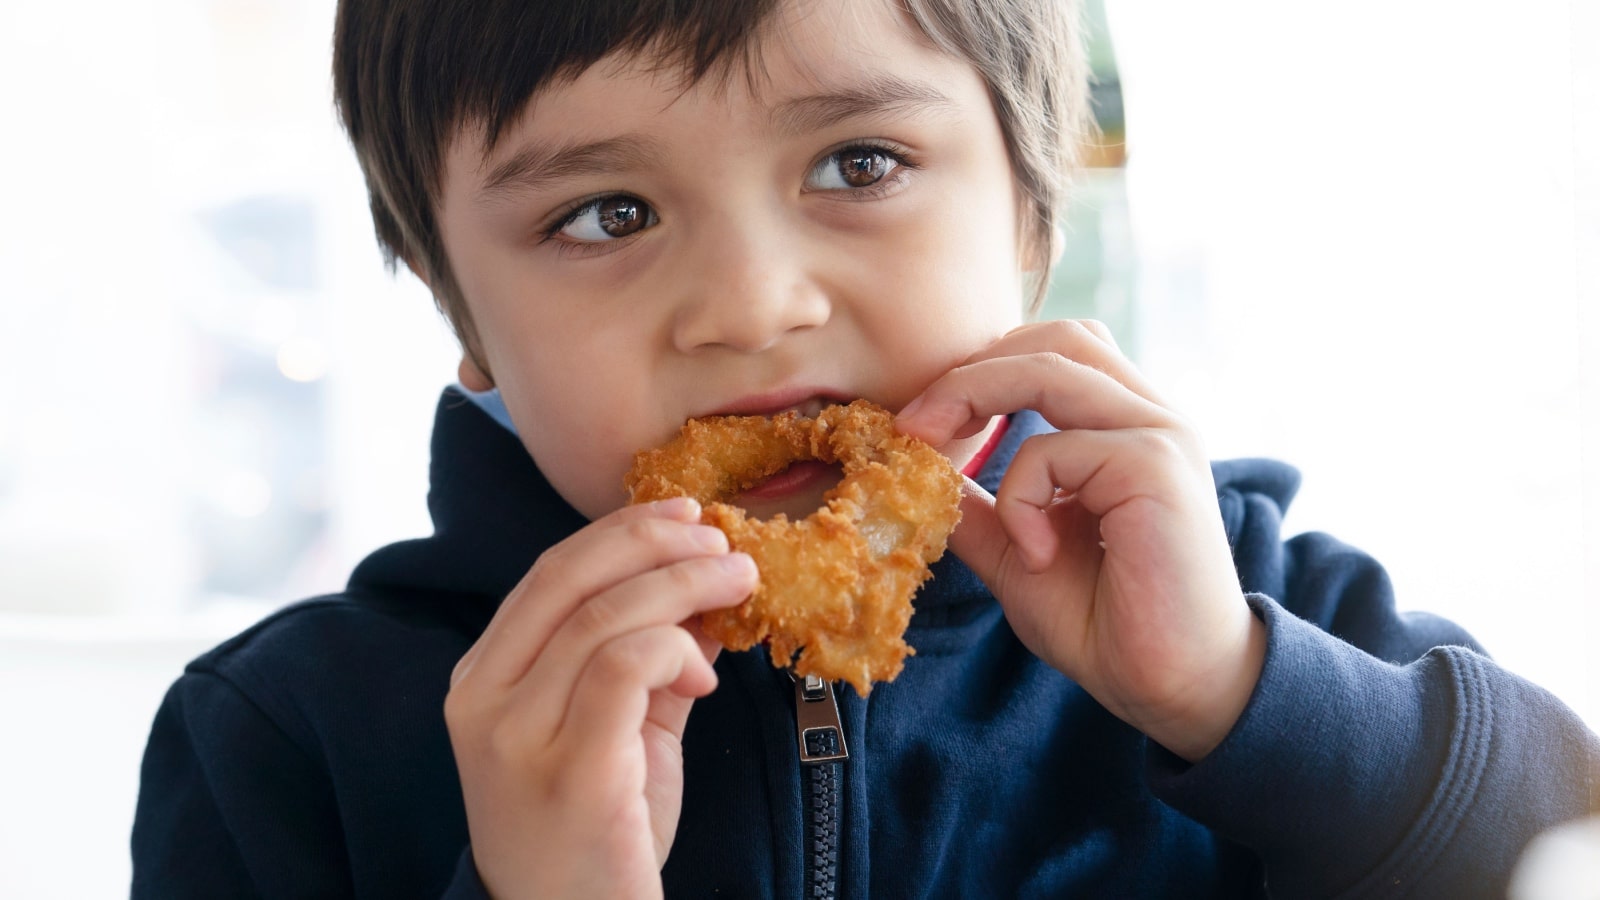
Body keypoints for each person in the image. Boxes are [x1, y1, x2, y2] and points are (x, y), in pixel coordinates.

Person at [130, 0, 1600, 897]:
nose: (753, 305)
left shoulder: (1253, 607)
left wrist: (1238, 699)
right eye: (607, 215)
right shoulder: (283, 745)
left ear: (1031, 223)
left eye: (860, 164)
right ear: (468, 325)